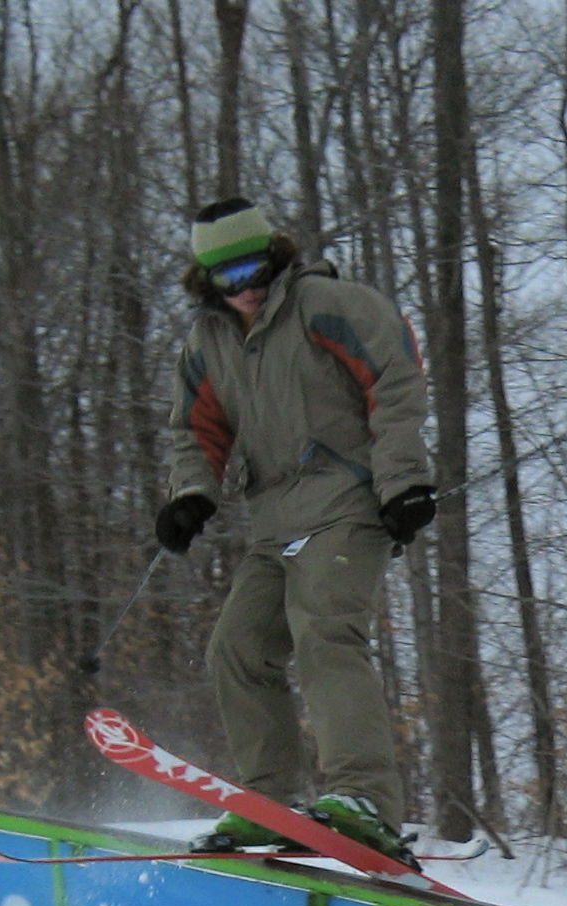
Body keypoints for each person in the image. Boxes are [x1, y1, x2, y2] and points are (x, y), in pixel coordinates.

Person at [154, 197, 437, 859]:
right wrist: (191, 496)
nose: (246, 288)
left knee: (324, 632)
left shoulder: (328, 305)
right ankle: (270, 801)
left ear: (275, 256)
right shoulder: (207, 342)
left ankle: (364, 797)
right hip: (274, 522)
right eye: (227, 278)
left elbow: (395, 379)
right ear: (206, 281)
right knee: (238, 650)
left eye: (254, 268)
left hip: (349, 504)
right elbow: (193, 432)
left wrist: (404, 482)